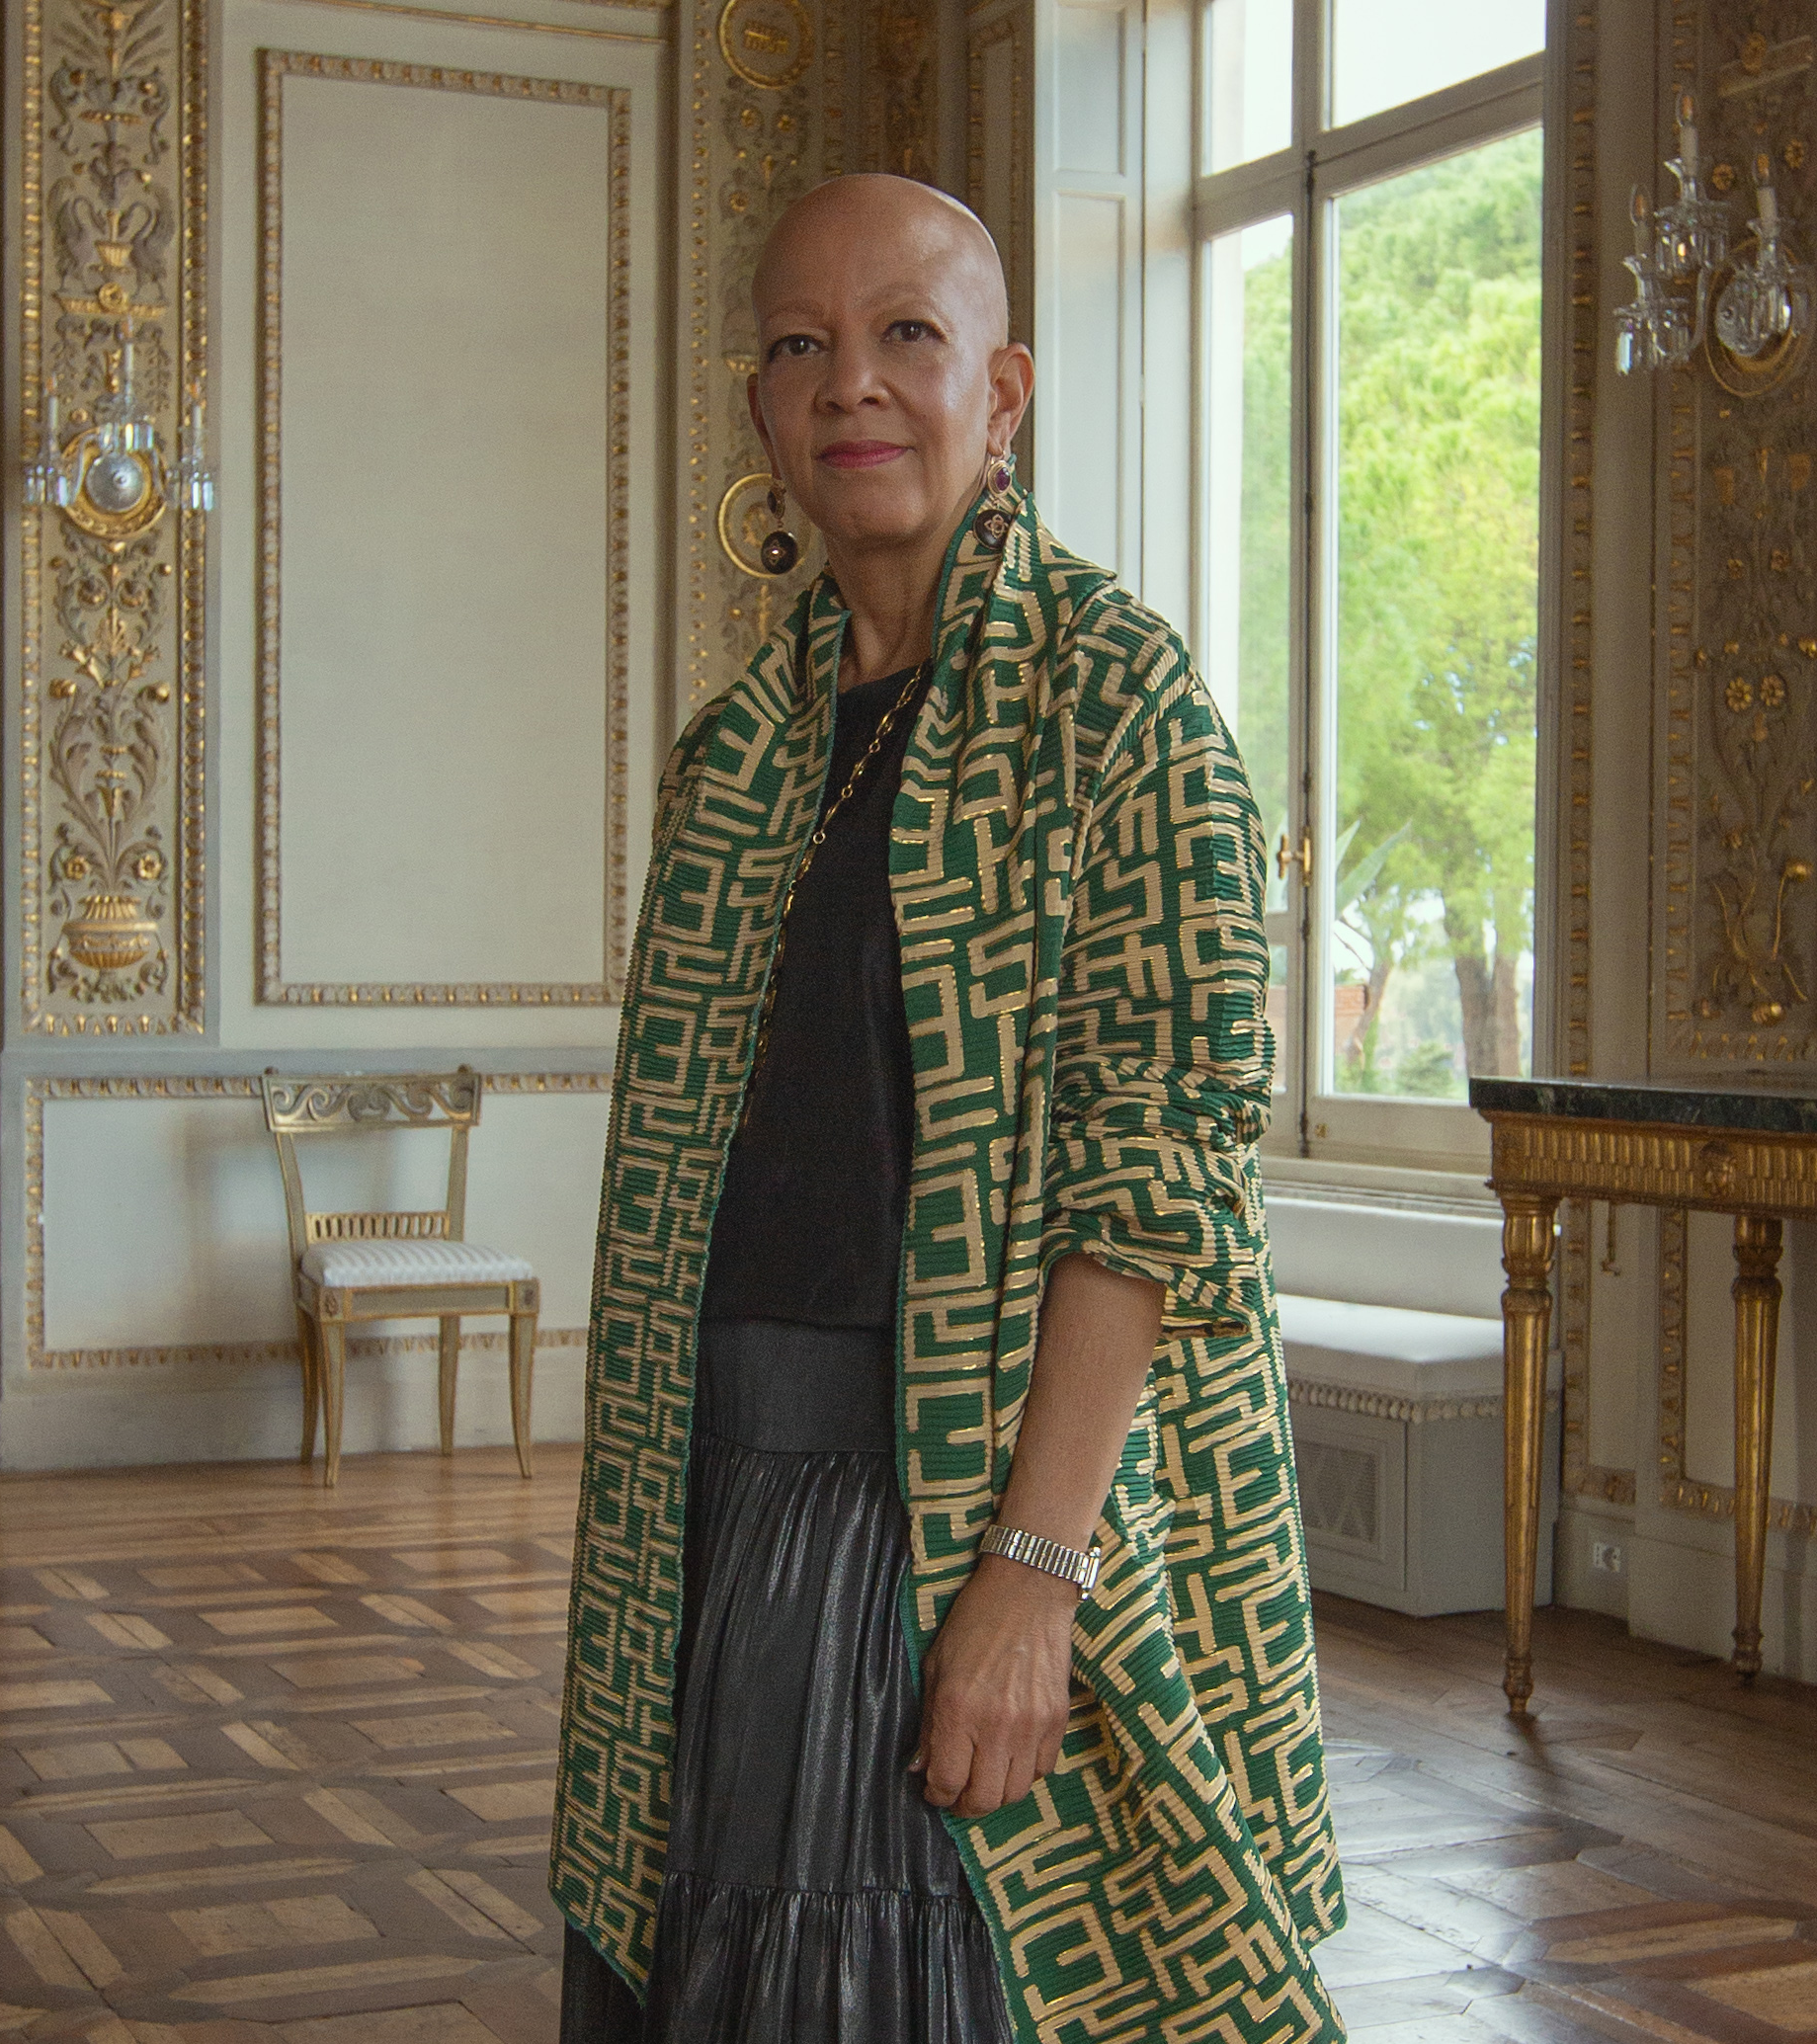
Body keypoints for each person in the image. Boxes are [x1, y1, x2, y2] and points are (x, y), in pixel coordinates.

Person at [550, 174, 1344, 2044]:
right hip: (723, 1492)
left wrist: (1032, 1579)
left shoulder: (1125, 711)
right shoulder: (736, 761)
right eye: (804, 347)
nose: (855, 387)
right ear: (762, 414)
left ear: (1007, 389)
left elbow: (1156, 1190)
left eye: (907, 334)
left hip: (969, 1502)